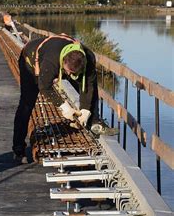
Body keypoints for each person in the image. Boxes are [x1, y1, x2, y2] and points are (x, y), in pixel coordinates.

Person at [12, 34, 116, 163]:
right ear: (63, 62)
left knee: (89, 87)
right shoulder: (51, 61)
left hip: (63, 64)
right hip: (30, 60)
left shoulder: (89, 58)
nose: (70, 75)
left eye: (73, 74)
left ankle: (94, 122)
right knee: (27, 103)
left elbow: (89, 87)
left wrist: (86, 110)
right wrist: (64, 106)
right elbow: (45, 87)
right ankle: (18, 149)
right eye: (68, 72)